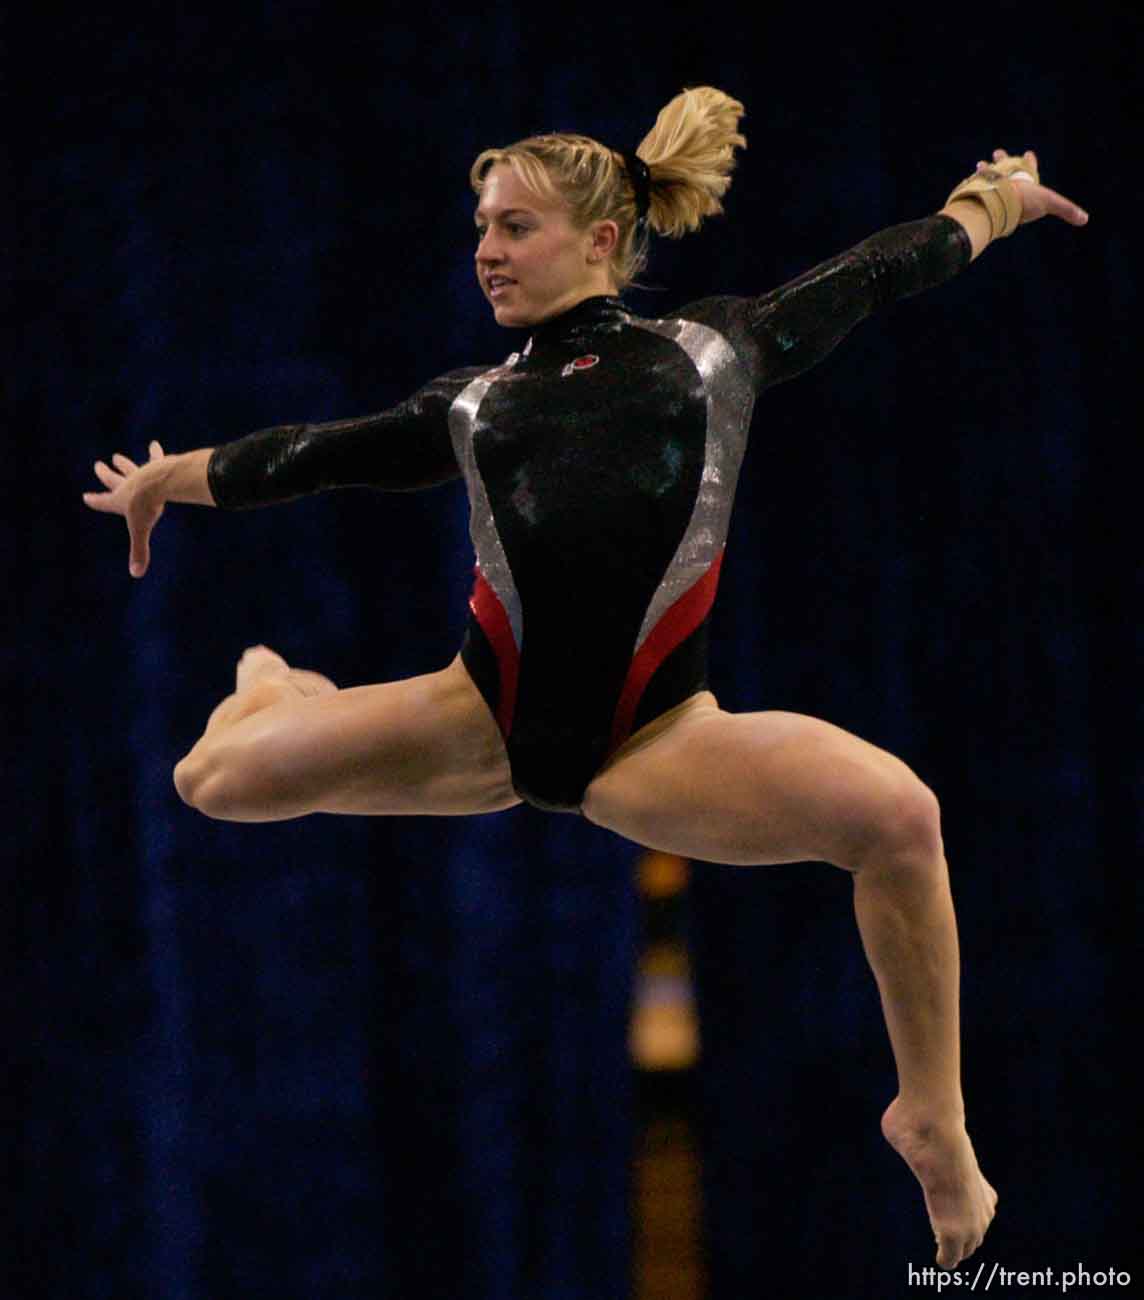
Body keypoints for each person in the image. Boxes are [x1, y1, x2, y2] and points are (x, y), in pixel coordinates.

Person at [83, 86, 1088, 1270]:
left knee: (899, 817)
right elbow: (312, 456)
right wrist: (170, 480)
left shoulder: (712, 352)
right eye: (481, 231)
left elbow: (873, 274)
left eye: (513, 227)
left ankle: (933, 1117)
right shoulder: (475, 401)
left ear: (600, 240)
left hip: (656, 738)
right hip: (482, 714)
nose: (485, 253)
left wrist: (993, 204)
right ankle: (278, 689)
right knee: (210, 777)